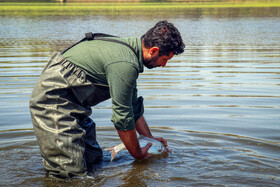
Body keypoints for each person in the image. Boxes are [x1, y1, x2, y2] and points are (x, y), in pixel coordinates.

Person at [29, 20, 185, 179]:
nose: (164, 65)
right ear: (154, 50)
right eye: (165, 59)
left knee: (93, 160)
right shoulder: (125, 63)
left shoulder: (130, 55)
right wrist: (137, 153)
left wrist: (149, 139)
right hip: (53, 103)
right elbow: (122, 118)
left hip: (74, 106)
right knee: (70, 174)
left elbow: (133, 107)